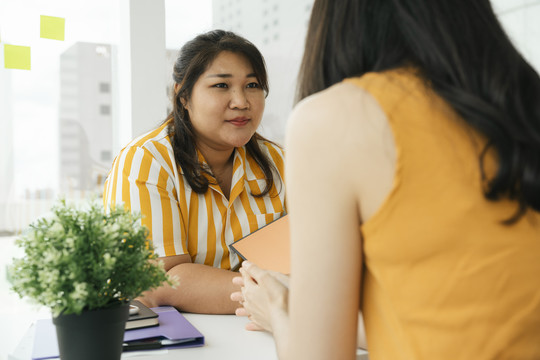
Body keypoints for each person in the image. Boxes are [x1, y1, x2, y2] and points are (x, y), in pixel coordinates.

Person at [231, 0, 540, 359]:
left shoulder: (336, 117)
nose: (240, 102)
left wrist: (280, 309)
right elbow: (442, 312)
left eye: (252, 85)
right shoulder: (524, 104)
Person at [103, 30, 286, 314]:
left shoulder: (279, 161)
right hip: (183, 340)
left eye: (252, 84)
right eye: (221, 86)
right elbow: (162, 280)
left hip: (265, 328)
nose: (241, 101)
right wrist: (281, 296)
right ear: (183, 96)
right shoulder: (147, 161)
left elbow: (310, 253)